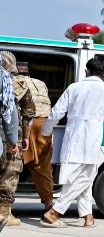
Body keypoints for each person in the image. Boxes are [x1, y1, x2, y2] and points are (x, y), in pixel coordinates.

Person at [39, 57, 104, 228]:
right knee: (85, 178)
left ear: (86, 71)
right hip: (91, 140)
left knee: (80, 179)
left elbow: (56, 112)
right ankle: (55, 212)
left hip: (72, 139)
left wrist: (45, 131)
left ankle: (88, 217)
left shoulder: (74, 87)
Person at [15, 60, 54, 210]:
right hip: (44, 124)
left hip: (25, 123)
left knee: (10, 164)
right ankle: (49, 203)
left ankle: (5, 208)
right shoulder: (41, 83)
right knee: (42, 167)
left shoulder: (14, 81)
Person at [0, 58, 20, 231]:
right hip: (3, 139)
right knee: (9, 175)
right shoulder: (4, 79)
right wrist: (13, 141)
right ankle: (2, 214)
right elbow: (10, 112)